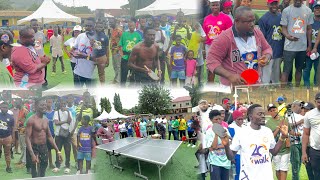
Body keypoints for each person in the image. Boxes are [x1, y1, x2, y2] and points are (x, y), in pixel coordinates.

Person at [206, 6, 272, 86]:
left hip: (255, 85)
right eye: (248, 22)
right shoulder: (224, 38)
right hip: (232, 89)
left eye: (253, 21)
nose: (252, 24)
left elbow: (267, 48)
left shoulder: (257, 33)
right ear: (236, 21)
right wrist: (229, 75)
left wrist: (267, 57)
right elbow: (211, 61)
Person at [223, 104, 288, 180]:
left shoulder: (267, 131)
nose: (263, 116)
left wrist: (282, 137)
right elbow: (231, 156)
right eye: (259, 114)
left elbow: (274, 152)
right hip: (248, 177)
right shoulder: (242, 132)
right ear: (250, 117)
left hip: (266, 177)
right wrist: (226, 145)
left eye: (263, 114)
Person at [26, 98, 62, 178]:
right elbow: (27, 138)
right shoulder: (31, 120)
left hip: (44, 147)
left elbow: (49, 136)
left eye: (45, 105)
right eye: (42, 105)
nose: (44, 107)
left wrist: (58, 151)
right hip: (34, 148)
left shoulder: (46, 120)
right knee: (35, 173)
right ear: (36, 106)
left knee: (43, 170)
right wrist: (32, 154)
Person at [280, 0, 313, 87]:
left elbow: (309, 29)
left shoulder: (308, 11)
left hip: (302, 47)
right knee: (286, 70)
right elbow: (283, 28)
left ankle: (297, 89)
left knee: (299, 70)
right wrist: (288, 36)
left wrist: (309, 45)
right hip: (289, 47)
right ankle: (282, 91)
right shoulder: (286, 10)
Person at [203, 0, 233, 83]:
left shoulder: (226, 18)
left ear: (220, 5)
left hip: (223, 47)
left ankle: (225, 86)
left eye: (217, 5)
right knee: (210, 68)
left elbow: (231, 34)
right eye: (213, 5)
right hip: (209, 46)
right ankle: (211, 87)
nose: (215, 7)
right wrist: (203, 49)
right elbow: (204, 35)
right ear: (210, 5)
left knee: (225, 68)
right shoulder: (206, 19)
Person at [258, 0, 285, 84]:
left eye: (275, 4)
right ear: (267, 4)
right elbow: (262, 38)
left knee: (276, 77)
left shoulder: (281, 17)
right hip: (268, 52)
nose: (274, 6)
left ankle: (275, 92)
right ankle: (264, 91)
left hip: (279, 51)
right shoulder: (263, 19)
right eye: (271, 4)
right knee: (266, 75)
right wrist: (264, 52)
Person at [265, 104, 290, 180]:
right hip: (275, 149)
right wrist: (278, 128)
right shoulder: (268, 123)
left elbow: (289, 131)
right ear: (269, 112)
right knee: (278, 168)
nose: (273, 112)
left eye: (274, 109)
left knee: (284, 168)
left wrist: (288, 139)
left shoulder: (284, 119)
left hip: (285, 148)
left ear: (277, 109)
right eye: (271, 111)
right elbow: (270, 137)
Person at [205, 110, 231, 180]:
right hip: (215, 162)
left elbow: (229, 144)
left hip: (226, 162)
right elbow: (213, 147)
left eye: (220, 119)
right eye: (216, 119)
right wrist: (216, 134)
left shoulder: (225, 129)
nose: (218, 121)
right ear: (211, 120)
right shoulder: (209, 132)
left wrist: (218, 146)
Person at [72, 18, 97, 88]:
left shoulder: (98, 39)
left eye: (90, 26)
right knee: (77, 95)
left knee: (91, 96)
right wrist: (73, 53)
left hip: (91, 74)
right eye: (86, 26)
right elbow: (73, 49)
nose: (88, 28)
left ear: (94, 26)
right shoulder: (80, 36)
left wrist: (84, 56)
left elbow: (97, 59)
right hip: (78, 73)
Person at [302, 92, 320, 180]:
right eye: (319, 102)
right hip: (315, 151)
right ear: (315, 102)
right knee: (316, 174)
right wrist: (304, 152)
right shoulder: (309, 115)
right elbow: (306, 134)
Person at [119, 20, 142, 86]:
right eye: (129, 26)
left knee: (133, 76)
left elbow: (140, 46)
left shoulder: (138, 35)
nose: (131, 27)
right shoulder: (124, 34)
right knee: (123, 75)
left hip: (134, 59)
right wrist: (121, 54)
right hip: (125, 57)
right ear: (128, 26)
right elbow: (120, 45)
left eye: (132, 25)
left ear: (135, 26)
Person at [52, 99, 73, 174]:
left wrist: (67, 111)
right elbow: (56, 123)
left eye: (64, 103)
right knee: (58, 150)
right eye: (62, 103)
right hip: (58, 134)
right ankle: (57, 166)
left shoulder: (69, 112)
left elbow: (70, 121)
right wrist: (65, 121)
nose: (63, 105)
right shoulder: (56, 112)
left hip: (67, 134)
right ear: (59, 104)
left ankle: (67, 166)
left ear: (66, 104)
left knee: (68, 150)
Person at [288, 100, 305, 180]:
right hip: (294, 142)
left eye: (302, 105)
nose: (301, 107)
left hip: (302, 143)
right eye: (299, 105)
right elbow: (288, 126)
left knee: (300, 163)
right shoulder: (290, 115)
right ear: (294, 106)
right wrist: (299, 122)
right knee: (296, 163)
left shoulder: (303, 116)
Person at [30, 19, 48, 88]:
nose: (36, 26)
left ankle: (44, 82)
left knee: (44, 70)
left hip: (42, 56)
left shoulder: (41, 34)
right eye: (34, 25)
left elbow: (42, 45)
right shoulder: (29, 35)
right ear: (30, 26)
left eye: (37, 25)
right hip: (33, 57)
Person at [12, 98, 29, 167]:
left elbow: (27, 121)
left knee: (24, 146)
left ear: (20, 103)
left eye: (17, 102)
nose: (16, 104)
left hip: (23, 131)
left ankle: (24, 162)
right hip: (19, 130)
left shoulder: (25, 111)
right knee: (21, 146)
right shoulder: (20, 110)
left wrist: (24, 128)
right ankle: (22, 160)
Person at [308, 2, 320, 87]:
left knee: (317, 68)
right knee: (307, 68)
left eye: (319, 8)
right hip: (309, 46)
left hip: (319, 48)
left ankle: (316, 85)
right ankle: (306, 85)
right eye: (316, 8)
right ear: (313, 9)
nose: (317, 10)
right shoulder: (310, 21)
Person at [0, 102, 14, 173]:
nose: (4, 109)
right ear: (0, 107)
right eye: (3, 107)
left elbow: (12, 128)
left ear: (8, 108)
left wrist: (13, 138)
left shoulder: (11, 117)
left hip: (7, 137)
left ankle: (8, 167)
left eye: (5, 107)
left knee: (7, 153)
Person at [94, 21, 109, 85]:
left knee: (101, 73)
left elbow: (107, 49)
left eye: (101, 27)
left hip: (102, 57)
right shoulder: (91, 35)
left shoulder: (105, 37)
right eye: (98, 26)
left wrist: (107, 59)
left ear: (102, 27)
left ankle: (102, 87)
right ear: (95, 26)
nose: (99, 28)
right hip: (92, 57)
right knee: (89, 73)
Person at [45, 98, 55, 169]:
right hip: (43, 133)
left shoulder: (54, 112)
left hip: (51, 133)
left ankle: (51, 163)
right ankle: (43, 163)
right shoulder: (43, 112)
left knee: (49, 149)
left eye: (50, 102)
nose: (49, 104)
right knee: (43, 149)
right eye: (48, 102)